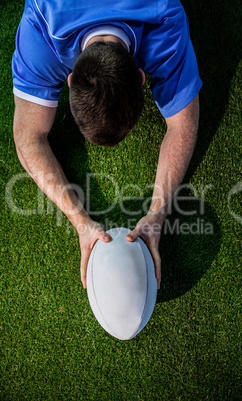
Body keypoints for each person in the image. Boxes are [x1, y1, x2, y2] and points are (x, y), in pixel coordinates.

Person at [12, 0, 202, 290]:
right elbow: (27, 137)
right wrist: (79, 220)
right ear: (142, 78)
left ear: (71, 79)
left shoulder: (43, 16)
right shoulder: (43, 16)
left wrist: (156, 214)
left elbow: (184, 125)